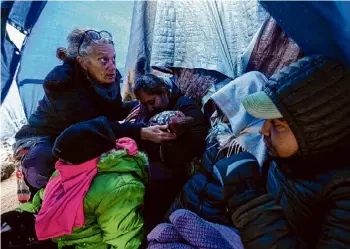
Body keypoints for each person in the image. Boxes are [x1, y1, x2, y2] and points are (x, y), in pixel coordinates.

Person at [13, 29, 175, 198]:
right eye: (103, 60)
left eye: (113, 59)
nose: (112, 66)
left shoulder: (108, 78)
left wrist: (144, 103)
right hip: (44, 140)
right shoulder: (62, 83)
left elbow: (115, 111)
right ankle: (50, 203)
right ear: (82, 62)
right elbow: (86, 126)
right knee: (41, 162)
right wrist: (139, 131)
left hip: (79, 135)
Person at [221, 55, 350, 248]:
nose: (263, 130)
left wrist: (248, 202)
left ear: (315, 132)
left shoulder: (342, 193)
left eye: (276, 124)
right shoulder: (288, 159)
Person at [2, 117, 148, 249]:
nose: (58, 165)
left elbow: (124, 241)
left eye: (65, 161)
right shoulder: (69, 170)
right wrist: (21, 215)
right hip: (59, 237)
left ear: (85, 159)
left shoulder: (119, 188)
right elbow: (42, 200)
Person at [131, 66, 209, 232]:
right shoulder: (147, 110)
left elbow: (198, 137)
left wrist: (159, 152)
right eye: (145, 104)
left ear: (164, 91)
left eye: (152, 102)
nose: (150, 108)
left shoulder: (185, 106)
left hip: (174, 167)